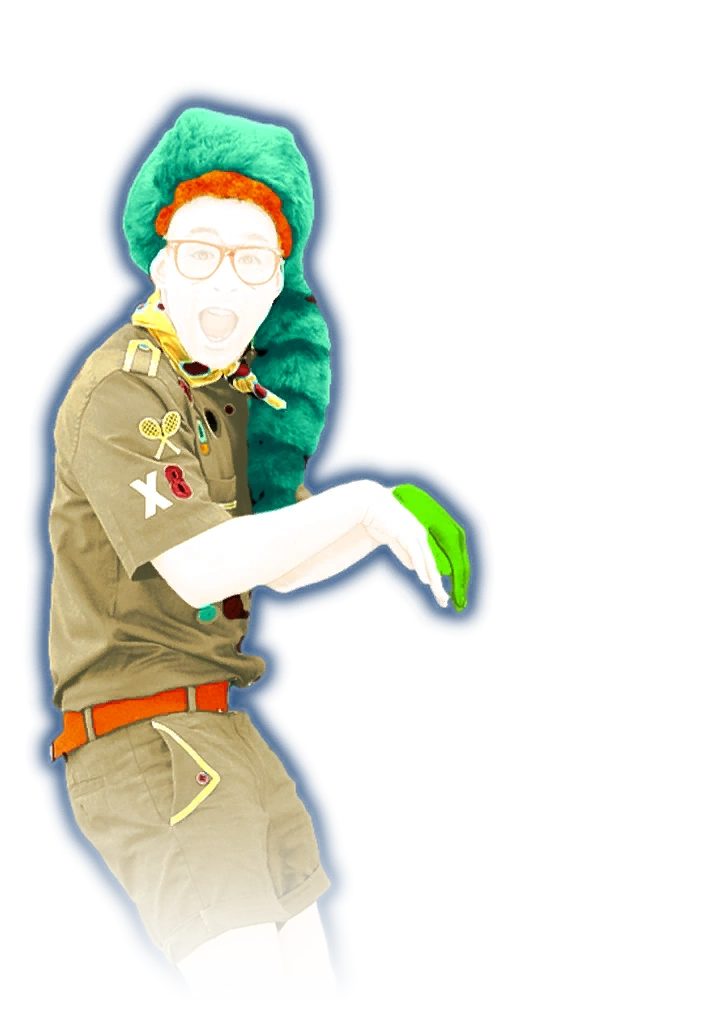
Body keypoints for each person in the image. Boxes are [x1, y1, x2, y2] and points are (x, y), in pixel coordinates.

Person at [45, 106, 472, 999]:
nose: (225, 280)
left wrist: (375, 525)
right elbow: (202, 565)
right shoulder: (125, 392)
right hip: (148, 738)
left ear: (278, 281)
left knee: (310, 989)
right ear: (160, 261)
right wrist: (356, 501)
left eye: (252, 259)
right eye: (200, 251)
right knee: (248, 994)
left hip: (221, 724)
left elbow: (267, 564)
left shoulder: (223, 397)